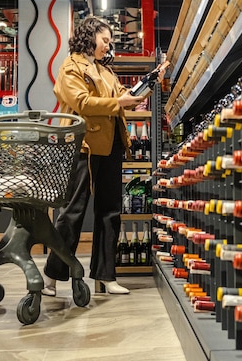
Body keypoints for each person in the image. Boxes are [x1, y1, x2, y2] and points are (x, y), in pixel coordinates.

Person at [42, 16, 166, 295]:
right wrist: (119, 102)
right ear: (90, 36)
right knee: (73, 212)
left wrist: (141, 91)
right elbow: (82, 102)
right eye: (105, 40)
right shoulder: (71, 67)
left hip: (111, 145)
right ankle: (52, 275)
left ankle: (105, 276)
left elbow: (122, 95)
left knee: (110, 211)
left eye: (110, 42)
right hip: (83, 145)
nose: (108, 47)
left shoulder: (105, 71)